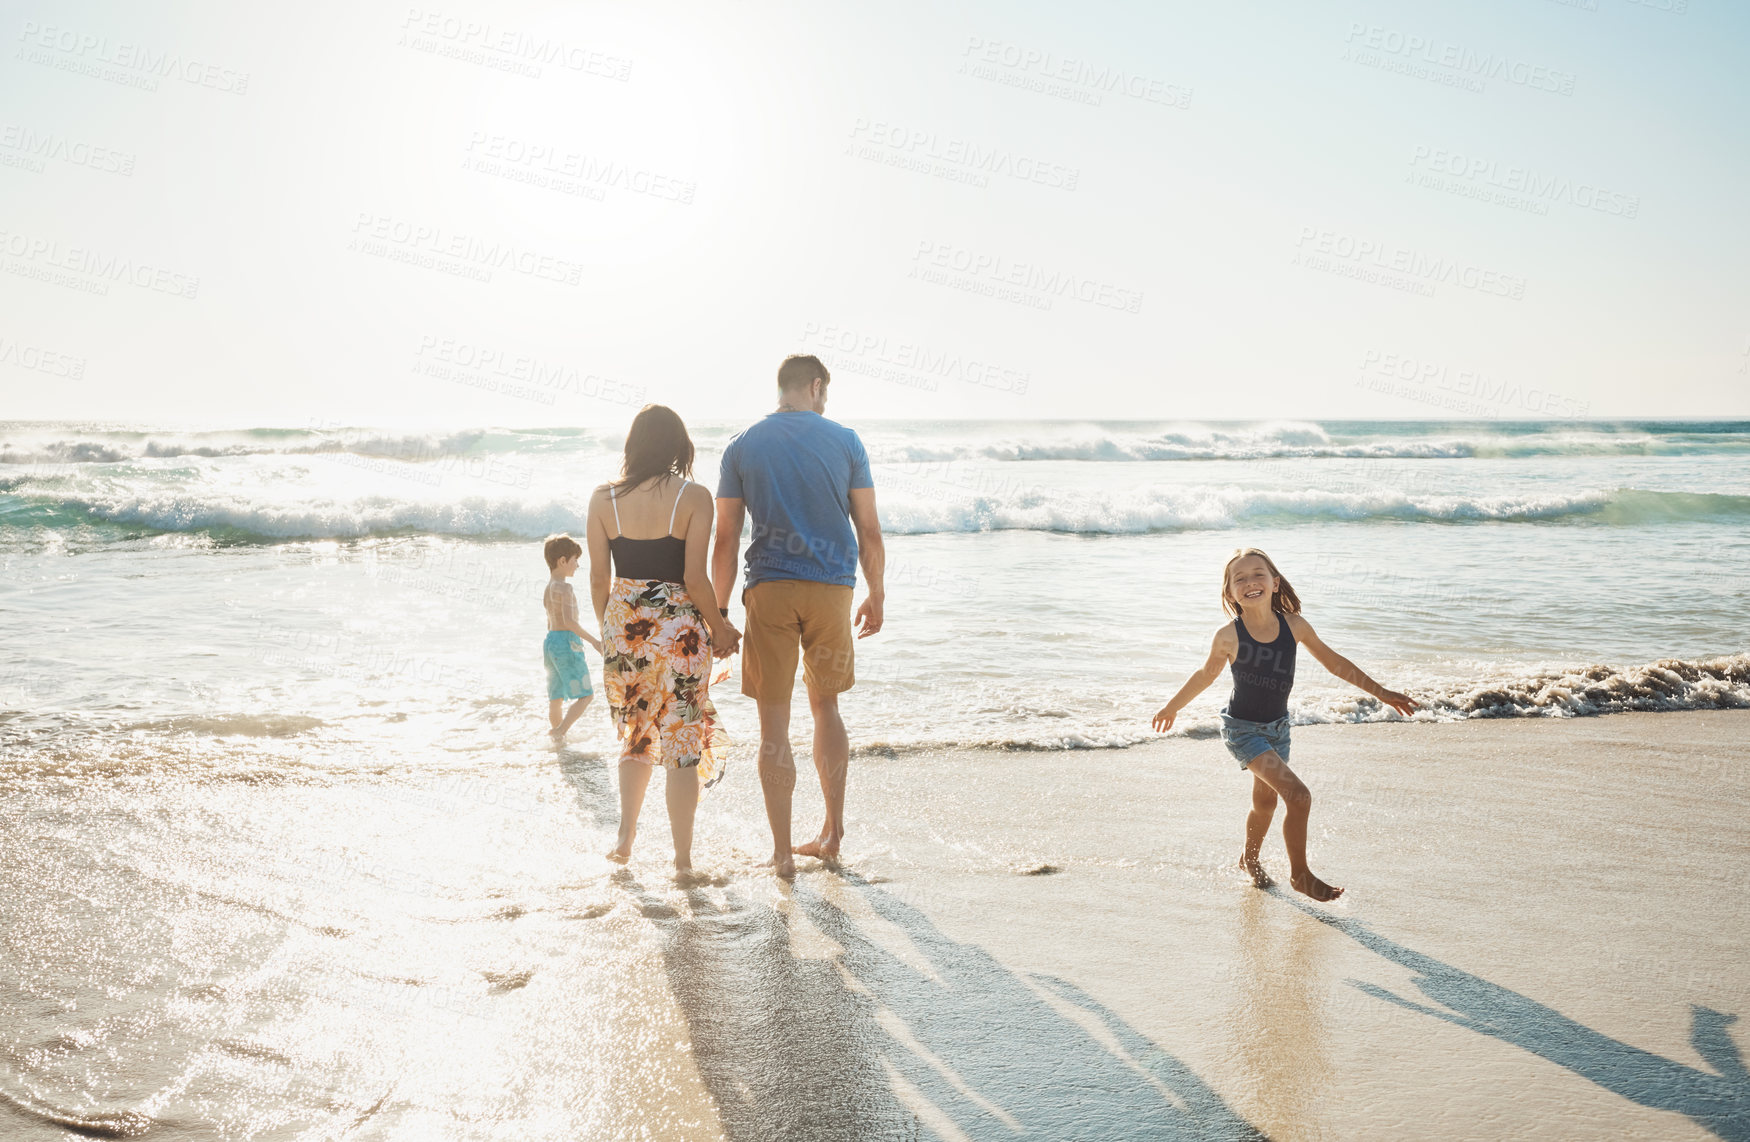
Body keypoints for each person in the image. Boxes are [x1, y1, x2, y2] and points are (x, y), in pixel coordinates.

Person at [1151, 548, 1417, 902]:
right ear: (1230, 593)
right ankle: (1300, 875)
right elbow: (1205, 675)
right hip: (1242, 730)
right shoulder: (1228, 636)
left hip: (1278, 728)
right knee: (1299, 796)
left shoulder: (1294, 626)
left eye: (1258, 574)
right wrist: (1172, 707)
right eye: (1239, 578)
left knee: (1266, 804)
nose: (1250, 582)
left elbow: (1334, 662)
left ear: (1275, 582)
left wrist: (1381, 692)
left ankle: (1249, 859)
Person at [714, 355, 885, 879]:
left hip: (769, 589)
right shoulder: (847, 442)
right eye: (825, 392)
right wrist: (876, 594)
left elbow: (724, 539)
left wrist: (719, 613)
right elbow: (870, 531)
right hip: (833, 590)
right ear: (814, 386)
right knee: (826, 706)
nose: (825, 402)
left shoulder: (741, 446)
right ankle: (832, 833)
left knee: (773, 720)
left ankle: (783, 854)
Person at [587, 405, 740, 879]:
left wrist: (614, 636)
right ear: (679, 446)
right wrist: (720, 627)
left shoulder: (602, 498)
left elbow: (598, 579)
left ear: (633, 444)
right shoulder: (693, 497)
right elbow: (694, 576)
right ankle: (682, 861)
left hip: (625, 627)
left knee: (636, 737)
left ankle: (625, 840)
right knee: (681, 741)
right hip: (682, 635)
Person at [541, 534, 603, 744]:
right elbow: (569, 622)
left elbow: (554, 622)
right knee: (586, 695)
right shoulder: (565, 588)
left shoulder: (548, 587)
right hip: (567, 642)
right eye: (575, 560)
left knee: (556, 696)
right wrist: (594, 641)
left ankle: (557, 738)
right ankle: (560, 732)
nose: (577, 565)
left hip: (550, 642)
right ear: (562, 561)